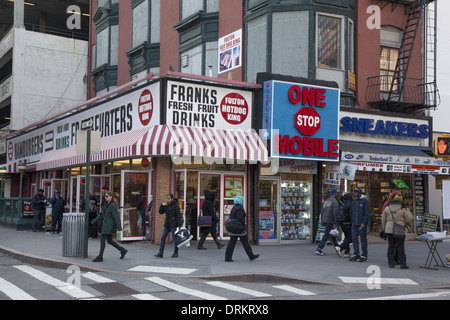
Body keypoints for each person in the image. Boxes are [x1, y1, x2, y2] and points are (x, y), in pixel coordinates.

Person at [91, 191, 127, 262]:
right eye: (105, 196)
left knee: (102, 239)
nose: (105, 197)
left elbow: (116, 217)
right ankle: (123, 250)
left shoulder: (112, 205)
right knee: (110, 241)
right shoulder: (107, 204)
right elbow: (102, 215)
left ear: (111, 197)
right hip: (106, 224)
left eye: (107, 196)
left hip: (108, 225)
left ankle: (100, 256)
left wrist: (119, 227)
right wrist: (93, 221)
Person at [381, 194, 413, 269]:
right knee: (400, 246)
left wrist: (384, 229)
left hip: (389, 229)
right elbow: (410, 218)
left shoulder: (387, 208)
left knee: (391, 246)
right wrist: (404, 222)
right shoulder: (404, 209)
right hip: (400, 229)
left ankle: (391, 263)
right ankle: (402, 264)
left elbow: (383, 220)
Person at [225, 196, 259, 262]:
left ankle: (228, 257)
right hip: (239, 229)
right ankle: (251, 256)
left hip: (233, 229)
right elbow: (240, 218)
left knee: (231, 243)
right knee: (245, 243)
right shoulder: (240, 208)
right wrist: (244, 224)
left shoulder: (234, 208)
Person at [155, 193, 183, 258]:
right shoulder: (166, 205)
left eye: (168, 198)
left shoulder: (175, 205)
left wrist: (179, 225)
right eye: (166, 198)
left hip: (173, 224)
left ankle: (176, 253)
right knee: (163, 238)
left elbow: (178, 215)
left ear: (172, 199)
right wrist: (162, 205)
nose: (167, 200)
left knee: (175, 239)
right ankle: (160, 253)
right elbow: (160, 212)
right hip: (167, 224)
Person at [315, 188, 341, 257]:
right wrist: (336, 220)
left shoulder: (326, 201)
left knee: (332, 234)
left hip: (325, 219)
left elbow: (322, 210)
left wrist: (322, 220)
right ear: (334, 193)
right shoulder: (334, 201)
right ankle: (319, 248)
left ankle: (337, 247)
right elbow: (335, 212)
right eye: (336, 193)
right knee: (326, 235)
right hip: (330, 219)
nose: (337, 194)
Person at [349, 187, 370, 262]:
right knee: (354, 239)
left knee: (363, 239)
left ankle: (364, 255)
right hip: (355, 223)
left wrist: (364, 222)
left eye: (356, 192)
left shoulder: (365, 201)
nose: (355, 194)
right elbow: (353, 212)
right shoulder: (355, 201)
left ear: (359, 193)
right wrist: (353, 221)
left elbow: (366, 213)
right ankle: (356, 253)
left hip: (361, 224)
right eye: (354, 192)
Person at [339, 193, 353, 258]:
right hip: (348, 223)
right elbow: (351, 215)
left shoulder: (342, 204)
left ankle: (347, 252)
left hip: (342, 223)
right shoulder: (350, 205)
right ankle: (340, 248)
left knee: (347, 237)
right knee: (350, 238)